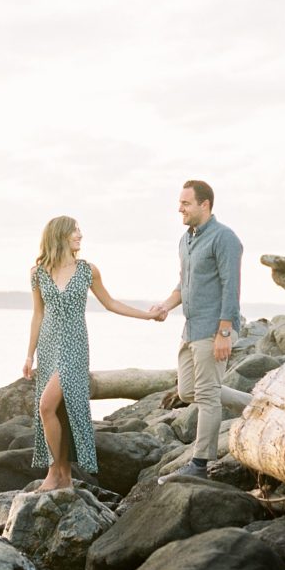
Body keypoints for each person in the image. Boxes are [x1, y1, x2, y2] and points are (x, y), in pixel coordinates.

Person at [23, 216, 162, 491]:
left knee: (45, 406)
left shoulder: (88, 270)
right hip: (48, 347)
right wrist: (29, 355)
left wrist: (146, 316)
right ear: (60, 235)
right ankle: (64, 476)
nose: (80, 236)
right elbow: (38, 315)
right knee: (59, 411)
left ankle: (55, 473)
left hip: (74, 346)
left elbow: (110, 303)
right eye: (75, 231)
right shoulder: (38, 273)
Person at [151, 180, 243, 482]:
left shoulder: (224, 238)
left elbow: (232, 287)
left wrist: (224, 333)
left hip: (213, 328)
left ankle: (200, 464)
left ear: (205, 204)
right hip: (190, 329)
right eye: (180, 203)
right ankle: (256, 404)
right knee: (187, 391)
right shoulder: (185, 240)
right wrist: (166, 305)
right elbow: (183, 284)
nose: (180, 208)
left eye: (186, 203)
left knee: (206, 397)